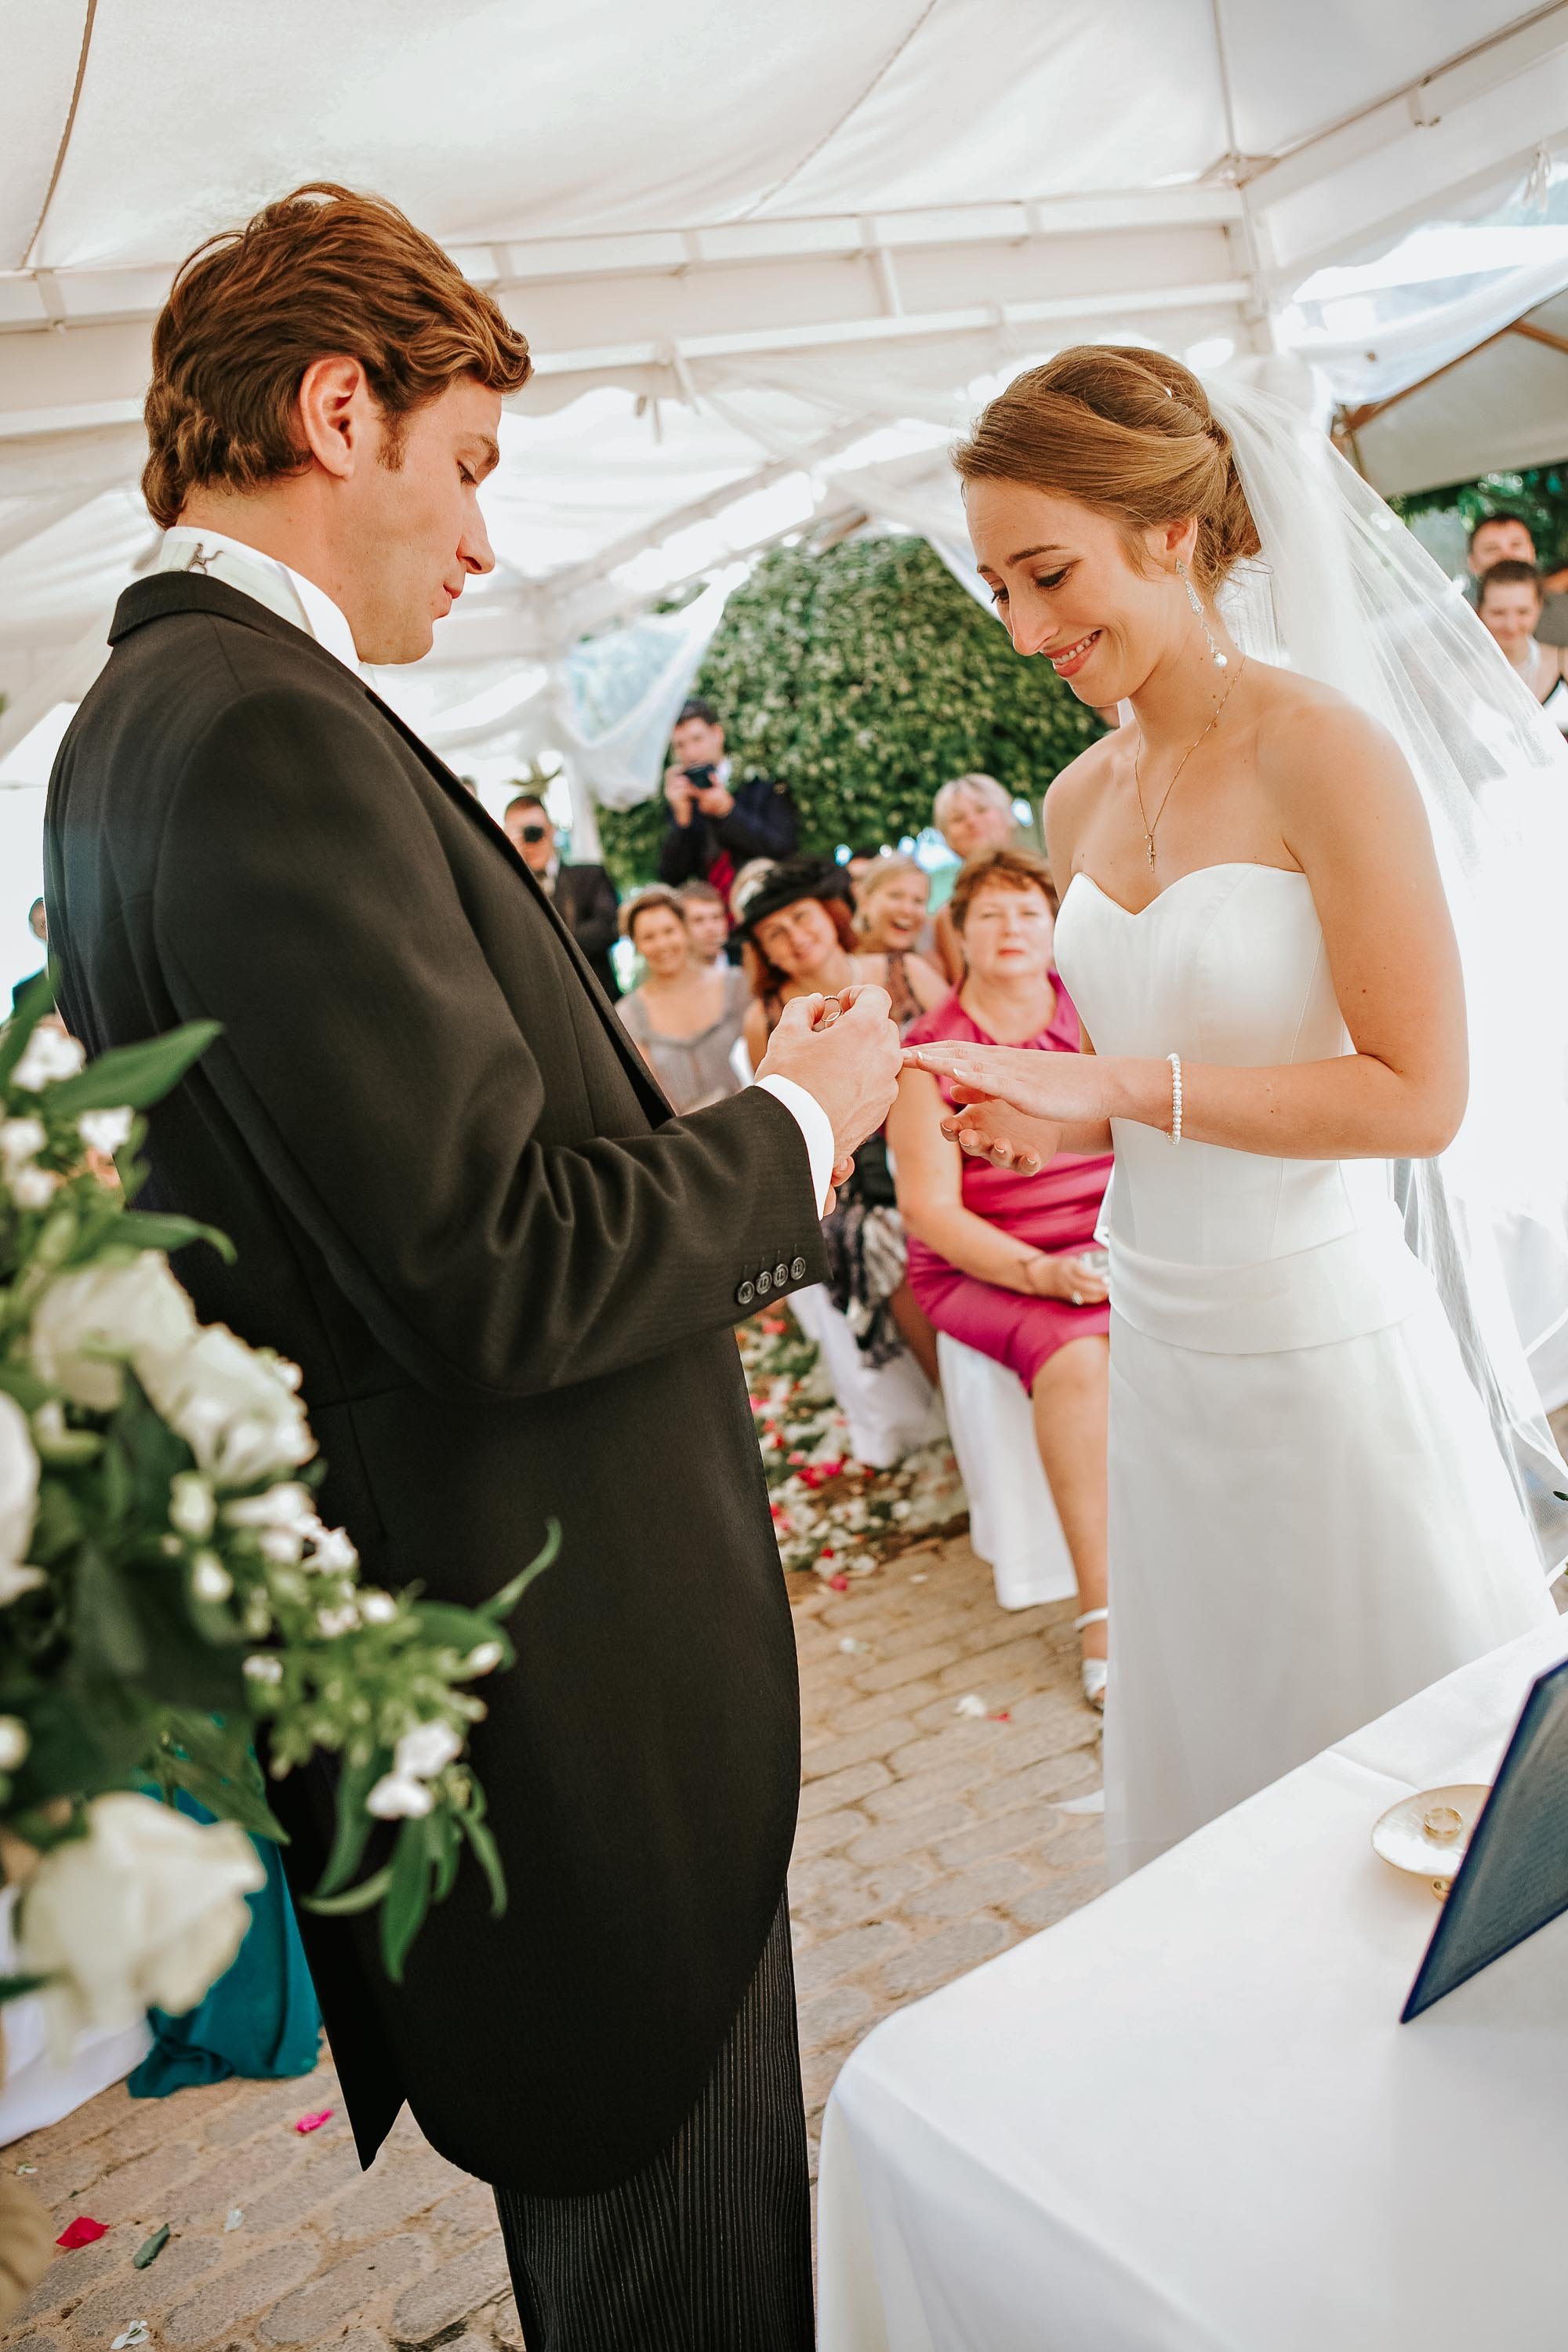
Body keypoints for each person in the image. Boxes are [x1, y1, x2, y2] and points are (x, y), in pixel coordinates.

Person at [42, 183, 902, 2352]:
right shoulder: (256, 735)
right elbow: (494, 1264)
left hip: (497, 1711)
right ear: (342, 410)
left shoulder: (135, 736)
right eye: (470, 466)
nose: (489, 542)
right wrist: (801, 1123)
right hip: (573, 1753)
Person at [903, 343, 1560, 1884]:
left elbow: (1419, 1094)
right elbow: (1163, 1071)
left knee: (1430, 1786)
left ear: (1171, 534)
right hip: (1164, 1348)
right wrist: (1048, 1126)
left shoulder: (1319, 750)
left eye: (1048, 575)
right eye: (999, 589)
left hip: (1319, 1340)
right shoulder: (1071, 802)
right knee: (1234, 1815)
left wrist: (1114, 1086)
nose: (1024, 630)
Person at [890, 847, 1112, 1706]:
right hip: (981, 1262)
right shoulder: (930, 1053)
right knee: (1076, 1358)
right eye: (988, 914)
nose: (1010, 928)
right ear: (960, 935)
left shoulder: (1092, 1020)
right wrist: (1039, 1276)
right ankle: (1101, 1609)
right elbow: (931, 1213)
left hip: (1102, 1244)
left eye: (1026, 911)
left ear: (1054, 927)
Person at [740, 858, 940, 1382]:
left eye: (802, 918)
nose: (795, 939)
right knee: (880, 1242)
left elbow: (970, 1046)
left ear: (831, 915)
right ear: (762, 950)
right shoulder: (768, 1019)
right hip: (857, 1168)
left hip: (943, 1139)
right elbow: (785, 1114)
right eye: (774, 934)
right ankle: (946, 1394)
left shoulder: (904, 970)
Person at [616, 886, 750, 1114]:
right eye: (649, 937)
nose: (662, 944)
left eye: (669, 931)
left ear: (685, 931)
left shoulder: (735, 984)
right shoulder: (628, 1014)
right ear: (636, 945)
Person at [656, 696, 798, 904]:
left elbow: (783, 848)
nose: (691, 753)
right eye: (680, 745)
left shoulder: (761, 783)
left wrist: (728, 812)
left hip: (768, 899)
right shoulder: (681, 797)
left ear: (717, 734)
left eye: (697, 739)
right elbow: (671, 877)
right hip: (713, 915)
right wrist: (682, 822)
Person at [502, 789, 622, 998]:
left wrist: (545, 948)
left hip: (598, 996)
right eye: (521, 834)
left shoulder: (589, 876)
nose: (531, 840)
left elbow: (608, 926)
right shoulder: (507, 890)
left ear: (552, 831)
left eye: (535, 831)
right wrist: (512, 864)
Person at [930, 773, 1020, 984]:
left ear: (1006, 815)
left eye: (982, 810)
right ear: (946, 836)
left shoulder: (1051, 883)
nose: (972, 821)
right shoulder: (949, 916)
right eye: (958, 818)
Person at [1475, 559, 1568, 731]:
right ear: (1480, 610)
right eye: (1498, 613)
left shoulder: (1564, 661)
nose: (1511, 625)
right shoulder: (1462, 674)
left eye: (1523, 612)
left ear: (1539, 607)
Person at [1465, 510, 1568, 647]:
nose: (1507, 555)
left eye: (1516, 545)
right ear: (1473, 563)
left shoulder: (1564, 610)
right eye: (1492, 549)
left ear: (1532, 552)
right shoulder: (1459, 627)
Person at [853, 851, 936, 964]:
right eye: (896, 896)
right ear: (865, 903)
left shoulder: (931, 968)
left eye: (918, 901)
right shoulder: (842, 966)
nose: (908, 910)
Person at [675, 877, 731, 970]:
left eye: (716, 918)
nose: (710, 927)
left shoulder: (747, 966)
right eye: (698, 920)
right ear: (681, 927)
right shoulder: (670, 979)